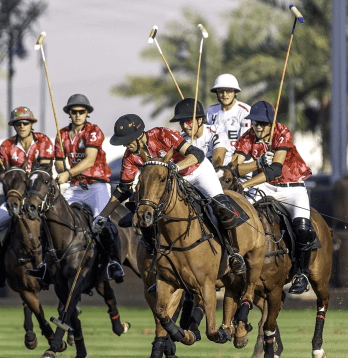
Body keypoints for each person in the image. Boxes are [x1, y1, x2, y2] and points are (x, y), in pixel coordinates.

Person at [96, 105, 246, 275]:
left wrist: (176, 166)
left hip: (198, 171)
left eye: (128, 140)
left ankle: (234, 253)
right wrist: (103, 215)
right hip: (175, 180)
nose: (125, 144)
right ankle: (156, 257)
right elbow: (123, 189)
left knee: (223, 207)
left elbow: (196, 154)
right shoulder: (130, 157)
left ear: (139, 135)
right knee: (148, 212)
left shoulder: (162, 134)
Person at [30, 93, 125, 283]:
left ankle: (114, 262)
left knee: (102, 222)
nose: (78, 115)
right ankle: (45, 264)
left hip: (97, 186)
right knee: (51, 218)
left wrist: (68, 173)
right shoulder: (62, 134)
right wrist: (61, 170)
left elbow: (90, 159)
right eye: (74, 111)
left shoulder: (93, 131)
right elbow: (59, 162)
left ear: (87, 113)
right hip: (75, 187)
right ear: (69, 113)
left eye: (82, 111)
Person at [232, 100, 314, 294]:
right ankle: (234, 258)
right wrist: (257, 163)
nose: (258, 127)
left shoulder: (282, 133)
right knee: (235, 214)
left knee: (302, 228)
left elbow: (275, 170)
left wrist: (245, 185)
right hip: (265, 186)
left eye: (262, 123)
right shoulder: (248, 137)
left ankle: (301, 274)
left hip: (292, 188)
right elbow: (234, 167)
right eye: (255, 122)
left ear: (271, 122)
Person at [0, 106, 54, 288]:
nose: (22, 126)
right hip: (16, 199)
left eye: (25, 123)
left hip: (40, 198)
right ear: (13, 126)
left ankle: (57, 268)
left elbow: (45, 171)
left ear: (31, 124)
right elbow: (1, 174)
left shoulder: (43, 141)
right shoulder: (6, 146)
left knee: (58, 228)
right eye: (18, 123)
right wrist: (10, 179)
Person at [176, 98, 233, 167]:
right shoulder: (180, 140)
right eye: (181, 122)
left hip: (220, 172)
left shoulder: (217, 132)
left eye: (188, 121)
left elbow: (217, 163)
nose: (185, 126)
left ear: (200, 120)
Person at [206, 74, 251, 156]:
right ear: (216, 93)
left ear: (236, 93)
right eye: (221, 91)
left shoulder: (245, 111)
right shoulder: (210, 111)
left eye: (229, 91)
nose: (224, 95)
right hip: (214, 156)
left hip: (237, 156)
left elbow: (245, 142)